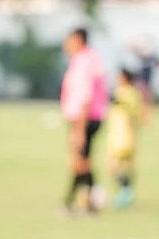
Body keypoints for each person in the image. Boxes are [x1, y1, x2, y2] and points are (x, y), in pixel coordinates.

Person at [60, 28, 109, 215]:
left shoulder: (83, 62)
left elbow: (84, 97)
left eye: (69, 40)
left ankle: (80, 202)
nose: (65, 44)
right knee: (82, 159)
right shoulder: (89, 58)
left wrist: (79, 129)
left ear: (78, 40)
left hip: (84, 119)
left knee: (81, 160)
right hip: (87, 118)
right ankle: (82, 201)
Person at [107, 68, 142, 209]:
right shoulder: (131, 93)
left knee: (114, 166)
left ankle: (125, 192)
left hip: (122, 137)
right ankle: (126, 192)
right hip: (123, 135)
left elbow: (128, 111)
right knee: (125, 167)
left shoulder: (125, 93)